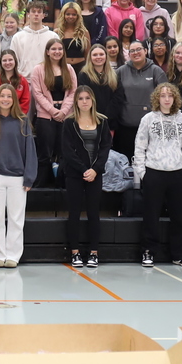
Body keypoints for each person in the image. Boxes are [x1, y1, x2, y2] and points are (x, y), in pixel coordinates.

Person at [134, 83, 182, 267]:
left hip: (179, 174)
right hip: (154, 173)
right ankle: (148, 252)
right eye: (163, 95)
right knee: (151, 216)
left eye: (170, 95)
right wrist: (143, 173)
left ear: (175, 98)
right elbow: (139, 146)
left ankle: (179, 253)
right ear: (157, 98)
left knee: (180, 217)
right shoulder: (148, 119)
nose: (167, 99)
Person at [0, 84, 38, 268]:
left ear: (14, 99)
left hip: (18, 178)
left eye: (9, 96)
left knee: (15, 219)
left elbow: (30, 150)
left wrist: (29, 177)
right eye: (2, 96)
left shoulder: (23, 121)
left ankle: (12, 255)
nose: (5, 99)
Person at [62, 86, 113, 268]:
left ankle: (93, 252)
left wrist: (95, 169)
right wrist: (84, 169)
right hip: (75, 174)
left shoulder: (102, 122)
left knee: (94, 214)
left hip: (95, 174)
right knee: (74, 213)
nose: (84, 101)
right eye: (81, 98)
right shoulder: (69, 123)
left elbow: (106, 147)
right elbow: (67, 151)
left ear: (93, 101)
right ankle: (75, 252)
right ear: (76, 101)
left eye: (87, 98)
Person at [31, 40, 77, 187]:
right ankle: (41, 186)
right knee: (45, 154)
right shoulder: (38, 69)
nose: (57, 52)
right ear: (47, 51)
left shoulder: (69, 68)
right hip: (45, 117)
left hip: (65, 116)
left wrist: (63, 111)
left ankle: (62, 184)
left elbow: (73, 92)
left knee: (64, 152)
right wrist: (53, 111)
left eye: (60, 49)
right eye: (53, 49)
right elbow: (37, 93)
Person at [116, 41, 168, 160]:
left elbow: (165, 97)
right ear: (128, 54)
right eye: (132, 51)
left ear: (145, 51)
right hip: (125, 127)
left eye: (138, 49)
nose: (136, 53)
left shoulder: (156, 71)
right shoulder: (121, 71)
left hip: (150, 128)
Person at [11, 2, 59, 76]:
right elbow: (13, 60)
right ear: (28, 14)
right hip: (24, 79)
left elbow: (57, 60)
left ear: (43, 15)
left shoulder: (53, 37)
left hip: (46, 79)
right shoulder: (17, 37)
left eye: (39, 12)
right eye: (33, 11)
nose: (36, 14)